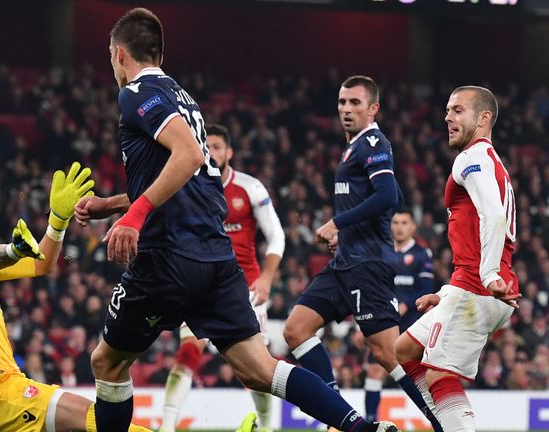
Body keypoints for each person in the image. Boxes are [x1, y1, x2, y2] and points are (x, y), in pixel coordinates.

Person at [74, 8, 399, 432]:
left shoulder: (134, 93)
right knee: (259, 369)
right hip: (214, 258)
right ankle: (360, 427)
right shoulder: (181, 96)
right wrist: (112, 204)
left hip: (167, 257)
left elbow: (189, 155)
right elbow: (193, 177)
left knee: (107, 361)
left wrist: (134, 215)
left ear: (119, 54)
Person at [0, 166, 151, 432]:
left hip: (6, 387)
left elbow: (41, 264)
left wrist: (58, 222)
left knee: (104, 422)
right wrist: (12, 250)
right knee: (102, 422)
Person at [282, 75, 442, 431]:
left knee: (388, 353)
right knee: (296, 329)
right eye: (342, 102)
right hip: (344, 262)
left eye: (355, 103)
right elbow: (387, 195)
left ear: (373, 109)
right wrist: (348, 231)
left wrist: (338, 222)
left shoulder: (372, 141)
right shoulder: (355, 145)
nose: (346, 109)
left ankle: (443, 420)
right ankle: (336, 418)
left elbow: (389, 196)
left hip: (368, 264)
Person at [395, 85, 520, 432]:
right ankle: (445, 425)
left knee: (437, 376)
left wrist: (490, 274)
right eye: (447, 110)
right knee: (405, 350)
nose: (447, 117)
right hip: (472, 286)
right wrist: (448, 293)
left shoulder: (472, 157)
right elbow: (479, 228)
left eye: (458, 110)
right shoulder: (491, 163)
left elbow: (493, 216)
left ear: (484, 118)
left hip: (481, 287)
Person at [159, 123, 285, 432]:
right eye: (208, 147)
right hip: (200, 283)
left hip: (246, 288)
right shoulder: (186, 184)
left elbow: (277, 236)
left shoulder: (249, 188)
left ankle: (267, 427)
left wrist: (267, 278)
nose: (212, 152)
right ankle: (166, 426)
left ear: (228, 152)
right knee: (188, 351)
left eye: (217, 147)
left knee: (256, 369)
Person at [363, 209, 434, 422]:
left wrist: (405, 304)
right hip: (383, 321)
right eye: (395, 222)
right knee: (375, 371)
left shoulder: (422, 254)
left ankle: (434, 417)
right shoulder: (381, 252)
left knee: (419, 376)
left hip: (411, 323)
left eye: (404, 222)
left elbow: (426, 288)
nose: (399, 227)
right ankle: (370, 420)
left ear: (412, 227)